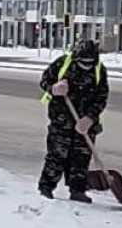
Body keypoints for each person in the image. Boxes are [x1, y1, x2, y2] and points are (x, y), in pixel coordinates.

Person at [38, 40, 109, 202]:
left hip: (85, 124)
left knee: (81, 157)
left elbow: (102, 98)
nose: (86, 65)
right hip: (61, 121)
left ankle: (77, 190)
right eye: (83, 62)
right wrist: (54, 88)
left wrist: (90, 119)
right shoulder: (63, 64)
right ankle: (46, 188)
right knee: (56, 156)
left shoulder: (99, 71)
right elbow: (44, 81)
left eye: (90, 62)